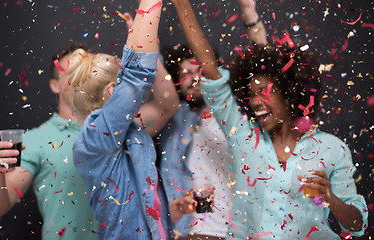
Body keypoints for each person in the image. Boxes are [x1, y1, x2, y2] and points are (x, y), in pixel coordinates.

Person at [176, 3, 368, 239]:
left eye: (264, 92)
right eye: (252, 94)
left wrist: (331, 198)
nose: (256, 101)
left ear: (289, 94)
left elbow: (357, 226)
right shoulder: (242, 133)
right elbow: (210, 69)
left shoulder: (332, 149)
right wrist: (180, 3)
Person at [69, 1, 198, 239]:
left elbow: (168, 103)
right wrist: (143, 28)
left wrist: (170, 211)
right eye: (121, 83)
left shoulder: (130, 131)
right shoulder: (96, 137)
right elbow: (138, 74)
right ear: (111, 91)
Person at [156, 0, 267, 239]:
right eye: (185, 74)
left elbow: (264, 67)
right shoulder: (170, 123)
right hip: (189, 232)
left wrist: (250, 12)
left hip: (239, 230)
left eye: (198, 72)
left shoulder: (235, 114)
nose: (193, 79)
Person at [0, 44, 99, 239]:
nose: (79, 80)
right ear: (55, 85)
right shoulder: (35, 140)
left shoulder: (117, 129)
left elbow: (167, 107)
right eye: (71, 74)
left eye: (84, 73)